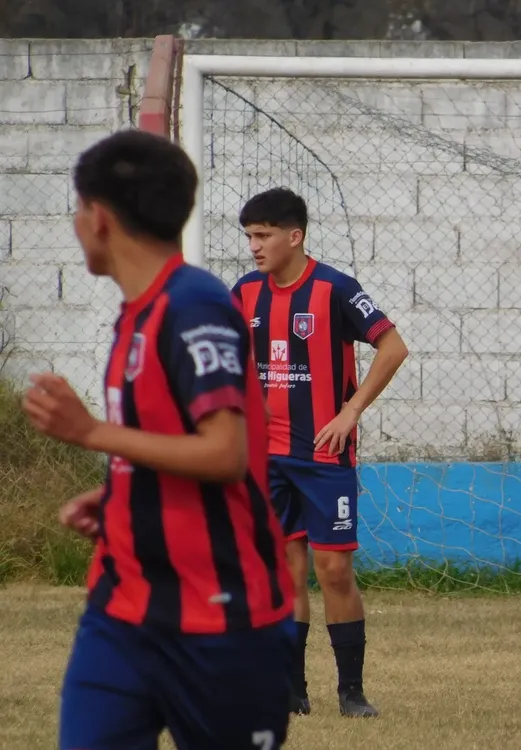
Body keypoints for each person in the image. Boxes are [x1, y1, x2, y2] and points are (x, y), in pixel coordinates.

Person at [21, 130, 296, 749]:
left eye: (77, 210)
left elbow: (224, 452)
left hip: (222, 616)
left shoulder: (193, 305)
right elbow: (168, 439)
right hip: (122, 609)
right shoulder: (137, 311)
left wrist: (91, 433)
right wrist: (125, 491)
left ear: (98, 218)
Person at [232, 188, 409, 718]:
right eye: (249, 237)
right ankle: (292, 690)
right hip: (266, 457)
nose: (254, 247)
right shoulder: (244, 292)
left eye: (263, 236)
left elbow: (394, 346)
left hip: (324, 454)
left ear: (295, 236)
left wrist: (350, 411)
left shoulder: (335, 289)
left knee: (332, 569)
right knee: (284, 569)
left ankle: (351, 692)